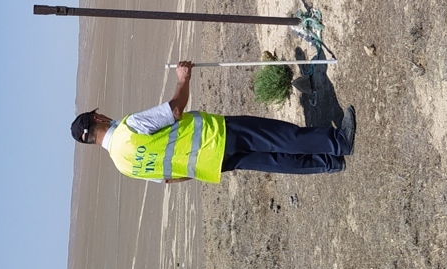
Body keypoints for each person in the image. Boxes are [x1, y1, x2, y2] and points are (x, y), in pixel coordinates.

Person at [70, 61, 356, 183]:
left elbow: (168, 179)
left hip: (212, 165)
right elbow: (175, 110)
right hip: (217, 134)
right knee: (279, 138)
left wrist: (198, 168)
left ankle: (330, 164)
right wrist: (183, 79)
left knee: (277, 161)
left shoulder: (123, 167)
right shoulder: (128, 127)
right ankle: (338, 143)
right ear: (98, 117)